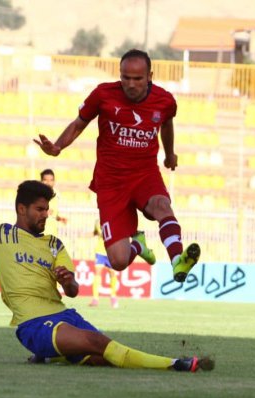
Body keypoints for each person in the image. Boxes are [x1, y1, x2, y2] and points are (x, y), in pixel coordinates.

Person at [0, 156, 213, 372]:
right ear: (21, 209)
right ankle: (174, 364)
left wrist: (66, 280)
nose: (45, 214)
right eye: (40, 209)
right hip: (32, 325)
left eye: (47, 209)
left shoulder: (55, 244)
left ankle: (53, 356)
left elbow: (72, 290)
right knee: (98, 342)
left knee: (101, 357)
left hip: (64, 314)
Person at [33, 49, 200, 283]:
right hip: (111, 182)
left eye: (137, 79)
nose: (131, 84)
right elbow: (79, 124)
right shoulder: (103, 95)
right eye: (125, 77)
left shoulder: (165, 101)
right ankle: (138, 247)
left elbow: (167, 125)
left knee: (163, 206)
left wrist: (170, 154)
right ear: (120, 75)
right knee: (119, 261)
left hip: (145, 174)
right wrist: (58, 147)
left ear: (149, 75)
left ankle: (177, 261)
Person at [89, 218, 119, 308]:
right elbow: (96, 233)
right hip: (100, 251)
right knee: (98, 272)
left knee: (112, 273)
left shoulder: (114, 221)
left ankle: (113, 297)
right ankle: (95, 299)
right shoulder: (98, 221)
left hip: (111, 251)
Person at [39, 168, 67, 236]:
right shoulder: (36, 195)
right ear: (41, 181)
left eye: (51, 180)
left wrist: (60, 218)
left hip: (53, 234)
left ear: (54, 182)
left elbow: (53, 215)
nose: (48, 183)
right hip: (40, 234)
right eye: (45, 180)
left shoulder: (56, 196)